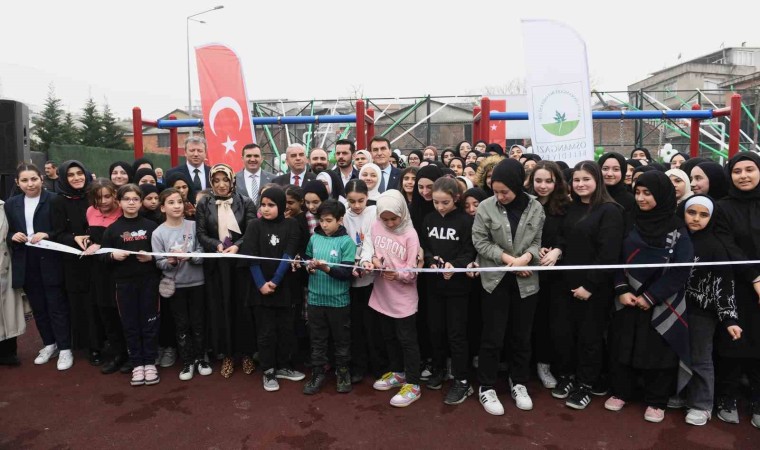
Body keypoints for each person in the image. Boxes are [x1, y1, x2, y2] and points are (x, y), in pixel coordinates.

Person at [606, 171, 693, 423]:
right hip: (627, 298)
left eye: (647, 193)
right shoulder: (629, 220)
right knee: (623, 344)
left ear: (662, 195)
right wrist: (622, 288)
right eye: (637, 192)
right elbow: (615, 258)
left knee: (659, 349)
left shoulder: (677, 228)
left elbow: (682, 269)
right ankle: (622, 391)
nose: (640, 198)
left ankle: (656, 400)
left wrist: (651, 296)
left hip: (662, 300)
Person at [472, 159, 545, 415]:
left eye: (505, 192)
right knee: (492, 336)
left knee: (521, 336)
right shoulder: (485, 207)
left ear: (517, 185)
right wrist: (510, 261)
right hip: (495, 281)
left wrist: (527, 258)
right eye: (495, 191)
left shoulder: (536, 207)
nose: (500, 197)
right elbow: (480, 241)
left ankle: (519, 382)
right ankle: (486, 386)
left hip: (526, 280)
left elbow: (537, 241)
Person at [552, 161, 624, 411]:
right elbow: (563, 237)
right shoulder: (570, 208)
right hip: (566, 284)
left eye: (586, 179)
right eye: (576, 180)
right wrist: (556, 249)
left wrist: (590, 286)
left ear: (597, 181)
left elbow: (609, 253)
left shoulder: (610, 211)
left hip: (594, 288)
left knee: (589, 337)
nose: (580, 184)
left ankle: (586, 383)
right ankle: (568, 376)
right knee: (565, 334)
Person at [678, 195, 740, 426]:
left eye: (703, 215)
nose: (696, 218)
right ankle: (680, 394)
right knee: (675, 352)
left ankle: (701, 404)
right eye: (691, 212)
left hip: (702, 312)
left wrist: (729, 318)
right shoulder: (675, 239)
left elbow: (724, 285)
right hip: (674, 307)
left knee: (700, 357)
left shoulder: (715, 245)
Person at [6, 163, 72, 370]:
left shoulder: (54, 199)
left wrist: (47, 234)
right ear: (17, 182)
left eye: (34, 179)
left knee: (56, 306)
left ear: (42, 179)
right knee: (39, 308)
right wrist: (12, 236)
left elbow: (63, 229)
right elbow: (8, 232)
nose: (30, 184)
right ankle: (49, 344)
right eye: (24, 180)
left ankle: (65, 348)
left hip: (51, 259)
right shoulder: (11, 204)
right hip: (26, 261)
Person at [195, 164, 257, 379]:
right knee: (221, 308)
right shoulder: (204, 203)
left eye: (225, 179)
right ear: (211, 182)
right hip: (216, 265)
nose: (221, 184)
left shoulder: (246, 202)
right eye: (216, 180)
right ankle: (227, 354)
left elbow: (251, 231)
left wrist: (237, 246)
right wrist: (216, 245)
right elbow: (201, 233)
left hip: (240, 265)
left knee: (243, 308)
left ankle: (247, 353)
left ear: (232, 181)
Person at [238, 186, 302, 392]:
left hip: (283, 287)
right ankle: (268, 370)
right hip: (260, 290)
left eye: (271, 205)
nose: (266, 209)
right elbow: (251, 257)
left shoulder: (291, 225)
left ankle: (283, 366)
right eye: (263, 204)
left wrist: (275, 281)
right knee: (266, 332)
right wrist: (261, 284)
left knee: (285, 329)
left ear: (281, 206)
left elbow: (288, 254)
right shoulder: (254, 225)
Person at [714, 152, 760, 428]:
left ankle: (757, 397)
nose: (743, 176)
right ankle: (727, 396)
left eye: (749, 169)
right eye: (737, 171)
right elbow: (727, 245)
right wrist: (754, 277)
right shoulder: (722, 207)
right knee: (732, 340)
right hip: (734, 284)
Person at [421, 177, 476, 405]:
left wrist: (456, 266)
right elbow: (424, 247)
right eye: (436, 202)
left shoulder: (466, 221)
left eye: (445, 202)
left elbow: (470, 250)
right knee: (436, 330)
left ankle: (462, 379)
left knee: (456, 334)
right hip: (434, 286)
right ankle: (439, 369)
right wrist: (431, 261)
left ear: (456, 198)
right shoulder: (428, 219)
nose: (440, 207)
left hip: (458, 288)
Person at [100, 184, 161, 386]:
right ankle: (137, 364)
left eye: (135, 199)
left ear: (141, 201)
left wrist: (151, 257)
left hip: (149, 282)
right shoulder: (112, 230)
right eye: (127, 199)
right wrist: (112, 255)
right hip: (124, 285)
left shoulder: (152, 226)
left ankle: (150, 362)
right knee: (130, 325)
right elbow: (101, 257)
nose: (131, 203)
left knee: (149, 323)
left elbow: (162, 254)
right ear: (119, 202)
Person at [369, 190, 423, 407]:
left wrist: (399, 274)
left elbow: (413, 271)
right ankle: (398, 372)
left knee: (407, 340)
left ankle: (414, 384)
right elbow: (371, 250)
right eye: (385, 219)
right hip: (382, 293)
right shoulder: (375, 225)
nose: (390, 223)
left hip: (403, 298)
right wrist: (374, 260)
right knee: (389, 336)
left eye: (394, 218)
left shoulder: (411, 234)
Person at [152, 188, 211, 381]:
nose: (176, 206)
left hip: (197, 283)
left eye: (179, 202)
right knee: (181, 324)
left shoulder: (194, 226)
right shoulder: (158, 233)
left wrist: (191, 256)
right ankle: (187, 361)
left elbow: (203, 253)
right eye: (171, 202)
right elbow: (158, 262)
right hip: (176, 286)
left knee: (199, 322)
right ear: (162, 207)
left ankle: (201, 358)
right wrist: (170, 261)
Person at [302, 200, 356, 394]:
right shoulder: (314, 238)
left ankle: (343, 372)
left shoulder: (347, 242)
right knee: (317, 340)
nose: (324, 225)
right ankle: (317, 373)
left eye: (328, 221)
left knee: (341, 340)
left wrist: (326, 268)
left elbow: (346, 273)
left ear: (340, 220)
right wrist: (308, 266)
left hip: (338, 302)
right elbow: (306, 259)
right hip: (315, 300)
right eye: (321, 220)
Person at [50, 160, 101, 363]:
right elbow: (57, 233)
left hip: (99, 259)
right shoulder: (58, 201)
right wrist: (74, 238)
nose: (76, 178)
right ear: (63, 178)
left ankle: (106, 342)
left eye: (79, 173)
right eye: (70, 175)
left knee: (100, 302)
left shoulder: (95, 196)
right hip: (74, 262)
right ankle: (92, 347)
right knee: (82, 305)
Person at [80, 178, 130, 375]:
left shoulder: (123, 211)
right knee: (106, 313)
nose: (103, 201)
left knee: (122, 313)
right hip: (98, 271)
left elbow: (127, 240)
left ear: (115, 195)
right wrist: (87, 240)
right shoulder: (90, 211)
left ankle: (131, 354)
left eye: (107, 196)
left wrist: (101, 246)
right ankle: (117, 354)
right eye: (98, 198)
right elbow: (91, 235)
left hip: (120, 269)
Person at [529, 161, 571, 391]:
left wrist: (557, 250)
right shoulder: (525, 203)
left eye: (548, 181)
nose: (543, 186)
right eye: (538, 180)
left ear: (557, 182)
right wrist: (534, 250)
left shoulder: (566, 206)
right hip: (527, 271)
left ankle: (545, 365)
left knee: (551, 322)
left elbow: (570, 235)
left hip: (555, 276)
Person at [343, 180, 383, 383]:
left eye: (361, 200)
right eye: (352, 201)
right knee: (355, 325)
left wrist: (365, 261)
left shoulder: (374, 213)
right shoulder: (344, 216)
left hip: (372, 278)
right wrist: (351, 264)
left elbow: (371, 239)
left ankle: (378, 366)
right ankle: (358, 366)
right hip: (351, 278)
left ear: (367, 197)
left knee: (373, 325)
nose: (357, 205)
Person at [0, 195, 25, 366]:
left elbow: (13, 231)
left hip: (5, 266)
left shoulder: (4, 207)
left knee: (8, 312)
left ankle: (8, 352)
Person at [599, 153, 636, 231]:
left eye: (616, 169)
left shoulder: (630, 199)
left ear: (623, 171)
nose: (609, 174)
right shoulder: (592, 196)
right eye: (605, 169)